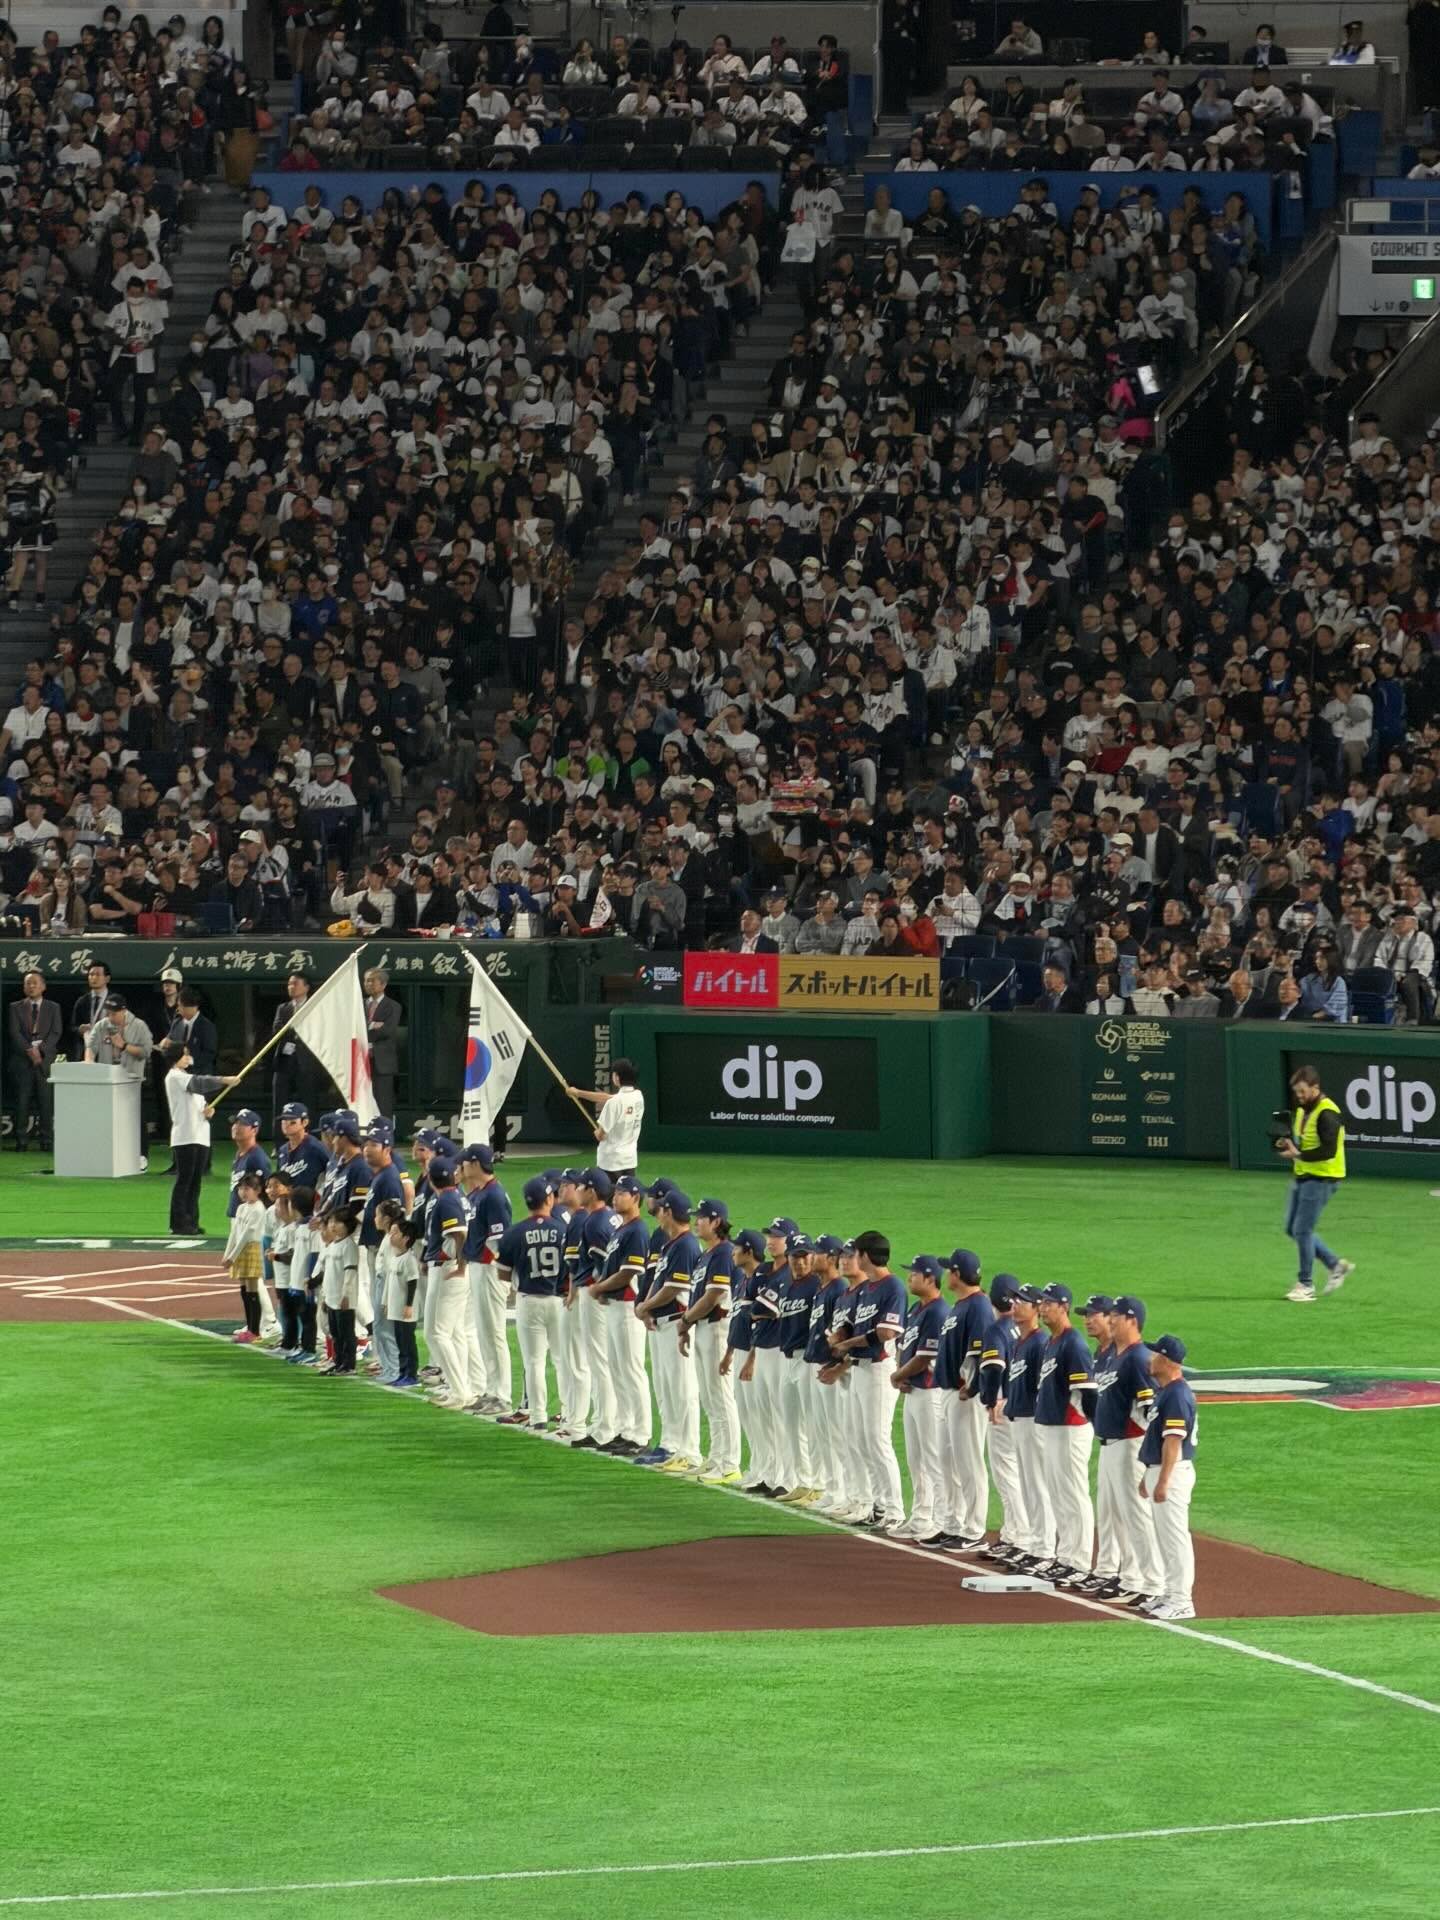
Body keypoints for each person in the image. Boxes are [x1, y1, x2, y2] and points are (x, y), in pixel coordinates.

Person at [826, 1229, 906, 1528]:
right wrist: (840, 1335)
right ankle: (878, 1504)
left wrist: (846, 1343)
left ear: (866, 1256)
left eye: (856, 1253)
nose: (852, 1258)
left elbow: (886, 1332)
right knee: (861, 1440)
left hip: (879, 1370)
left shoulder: (892, 1286)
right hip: (860, 1369)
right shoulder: (865, 1290)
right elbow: (851, 1324)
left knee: (877, 1440)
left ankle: (894, 1510)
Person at [1090, 1294, 1165, 1607]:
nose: (1110, 1320)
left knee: (1135, 1515)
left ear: (1132, 1321)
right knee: (1117, 1515)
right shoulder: (1115, 1356)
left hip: (1129, 1444)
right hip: (1110, 1444)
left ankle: (1154, 1582)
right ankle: (1130, 1577)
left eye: (1116, 1316)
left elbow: (1150, 1411)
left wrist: (1146, 1455)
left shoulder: (1138, 1359)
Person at [1033, 1281, 1096, 1586]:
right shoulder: (1052, 1341)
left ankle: (1079, 1561)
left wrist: (1086, 1422)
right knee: (1058, 1493)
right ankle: (1066, 1555)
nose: (1043, 1308)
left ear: (1064, 1307)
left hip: (1071, 1428)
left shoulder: (1073, 1344)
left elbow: (1086, 1393)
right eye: (1042, 1302)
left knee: (1073, 1493)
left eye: (1049, 1303)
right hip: (1053, 1427)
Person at [635, 1185, 701, 1471]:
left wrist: (645, 1306)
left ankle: (689, 1451)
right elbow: (658, 1281)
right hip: (662, 1322)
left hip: (677, 1321)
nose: (657, 1213)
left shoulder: (685, 1245)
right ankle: (670, 1444)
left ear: (669, 1212)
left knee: (682, 1388)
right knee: (666, 1386)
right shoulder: (670, 1244)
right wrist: (646, 1307)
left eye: (661, 1209)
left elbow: (674, 1287)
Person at [1277, 1064, 1355, 1303]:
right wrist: (1289, 1145)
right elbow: (1304, 1142)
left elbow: (1329, 1151)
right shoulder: (1303, 1110)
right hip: (1303, 1175)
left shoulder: (1328, 1114)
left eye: (1303, 1091)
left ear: (1315, 1087)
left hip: (1322, 1178)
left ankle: (1306, 1284)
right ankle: (1335, 1265)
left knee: (1302, 1230)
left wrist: (1298, 1154)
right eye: (1296, 1092)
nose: (1299, 1096)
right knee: (1292, 1228)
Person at [933, 1249, 994, 1549]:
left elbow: (982, 1353)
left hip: (964, 1396)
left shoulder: (978, 1306)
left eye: (949, 1270)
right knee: (948, 1462)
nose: (946, 1274)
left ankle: (974, 1530)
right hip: (948, 1393)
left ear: (957, 1274)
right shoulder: (961, 1305)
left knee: (969, 1463)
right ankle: (953, 1523)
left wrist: (972, 1387)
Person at [496, 1176, 568, 1428]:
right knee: (562, 1360)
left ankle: (537, 1416)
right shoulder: (563, 1230)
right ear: (549, 1199)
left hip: (528, 1300)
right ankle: (568, 1413)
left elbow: (502, 1273)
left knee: (534, 1362)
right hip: (558, 1301)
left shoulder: (514, 1232)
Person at [1138, 1334, 1199, 1619]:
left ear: (1165, 1360)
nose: (1150, 1359)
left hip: (1172, 1474)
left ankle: (1182, 1600)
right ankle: (1169, 1593)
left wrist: (1162, 1480)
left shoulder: (1176, 1394)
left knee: (1175, 1539)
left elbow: (1173, 1441)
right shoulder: (1166, 1392)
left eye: (1155, 1355)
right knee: (1164, 1537)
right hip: (1161, 1470)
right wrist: (1148, 1476)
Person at [589, 1172, 651, 1453]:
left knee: (631, 1369)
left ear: (636, 1197)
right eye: (615, 1193)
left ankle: (641, 1434)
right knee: (617, 1369)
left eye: (622, 1193)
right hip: (614, 1305)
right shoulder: (620, 1229)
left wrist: (600, 1287)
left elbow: (629, 1272)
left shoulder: (637, 1230)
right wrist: (604, 1289)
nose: (615, 1197)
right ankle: (625, 1429)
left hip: (628, 1307)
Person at [891, 1255, 948, 1542]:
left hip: (929, 1392)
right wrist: (901, 1374)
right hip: (913, 1391)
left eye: (914, 1274)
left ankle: (940, 1520)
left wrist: (898, 1375)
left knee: (933, 1458)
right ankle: (921, 1516)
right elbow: (906, 1347)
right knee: (916, 1459)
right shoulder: (917, 1309)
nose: (909, 1278)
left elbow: (926, 1356)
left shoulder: (938, 1312)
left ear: (929, 1279)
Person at [976, 1276, 1028, 1563]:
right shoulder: (1023, 1328)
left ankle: (1018, 1536)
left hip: (1002, 1408)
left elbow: (994, 1368)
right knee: (1018, 1473)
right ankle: (1015, 1532)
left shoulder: (996, 1329)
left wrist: (990, 1399)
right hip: (1022, 1408)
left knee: (1006, 1474)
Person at [460, 1143, 514, 1415]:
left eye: (465, 1162)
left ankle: (501, 1395)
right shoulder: (479, 1193)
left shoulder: (493, 1195)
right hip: (478, 1267)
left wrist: (497, 1270)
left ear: (475, 1164)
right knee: (484, 1332)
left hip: (490, 1269)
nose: (461, 1167)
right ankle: (491, 1390)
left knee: (494, 1333)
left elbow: (499, 1239)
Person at [163, 1047, 240, 1234]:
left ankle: (192, 1221)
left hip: (200, 1135)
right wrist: (224, 1080)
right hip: (185, 1136)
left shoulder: (185, 1077)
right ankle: (178, 1223)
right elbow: (199, 1083)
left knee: (195, 1182)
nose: (188, 1057)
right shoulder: (175, 1077)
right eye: (184, 1054)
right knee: (185, 1180)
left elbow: (199, 1103)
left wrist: (208, 1111)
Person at [421, 1159, 473, 1408]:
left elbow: (459, 1234)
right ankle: (459, 1388)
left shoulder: (447, 1200)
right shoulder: (456, 1196)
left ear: (430, 1178)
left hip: (448, 1267)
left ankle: (460, 1391)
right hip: (448, 1266)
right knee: (453, 1333)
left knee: (438, 1333)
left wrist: (461, 1266)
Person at [359, 1121, 408, 1384]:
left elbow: (396, 1218)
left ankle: (394, 1367)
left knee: (385, 1315)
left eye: (373, 1145)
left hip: (385, 1251)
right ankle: (387, 1364)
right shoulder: (379, 1175)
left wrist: (388, 1249)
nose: (367, 1149)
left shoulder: (389, 1178)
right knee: (380, 1316)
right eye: (366, 1144)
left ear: (387, 1149)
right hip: (378, 1249)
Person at [84, 994, 154, 1166]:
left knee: (135, 1120)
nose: (110, 1017)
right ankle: (106, 1155)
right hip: (107, 1081)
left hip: (131, 1080)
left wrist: (124, 1045)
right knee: (105, 1119)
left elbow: (146, 1052)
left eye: (114, 1013)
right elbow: (90, 1047)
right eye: (108, 1013)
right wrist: (89, 1064)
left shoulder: (139, 1025)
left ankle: (141, 1157)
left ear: (123, 1011)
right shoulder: (102, 1025)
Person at [8, 969, 61, 1152]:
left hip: (44, 1062)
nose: (31, 986)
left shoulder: (53, 1007)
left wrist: (41, 1050)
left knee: (46, 1102)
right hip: (22, 1061)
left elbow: (56, 1032)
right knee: (21, 1102)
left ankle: (46, 1140)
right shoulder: (15, 1007)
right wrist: (30, 1050)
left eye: (34, 983)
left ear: (43, 986)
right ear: (24, 987)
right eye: (28, 983)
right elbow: (14, 1032)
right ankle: (21, 1140)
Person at [566, 1058, 645, 1176]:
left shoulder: (613, 1103)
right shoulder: (638, 1096)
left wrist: (597, 1132)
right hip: (630, 1160)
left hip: (611, 1162)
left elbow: (601, 1135)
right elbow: (608, 1097)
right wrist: (578, 1093)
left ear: (617, 1077)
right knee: (627, 1188)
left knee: (609, 1189)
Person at [377, 1205, 423, 1390]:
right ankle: (402, 1373)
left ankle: (411, 1374)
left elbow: (412, 1282)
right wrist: (385, 1302)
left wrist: (409, 1305)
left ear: (406, 1238)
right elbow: (389, 1283)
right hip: (395, 1308)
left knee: (407, 1342)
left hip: (405, 1310)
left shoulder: (409, 1259)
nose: (391, 1235)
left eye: (395, 1233)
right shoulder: (395, 1258)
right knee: (400, 1341)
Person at [317, 1205, 361, 1376]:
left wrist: (346, 1295)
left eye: (338, 1222)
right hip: (331, 1297)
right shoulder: (332, 1245)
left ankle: (349, 1365)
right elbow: (328, 1273)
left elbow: (350, 1272)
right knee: (335, 1332)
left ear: (348, 1225)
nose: (333, 1225)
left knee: (346, 1332)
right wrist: (325, 1295)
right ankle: (338, 1361)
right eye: (331, 1222)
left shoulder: (349, 1245)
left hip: (343, 1299)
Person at [223, 1172, 267, 1340]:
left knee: (252, 1289)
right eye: (240, 1188)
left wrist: (232, 1256)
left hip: (252, 1248)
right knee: (244, 1290)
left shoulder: (258, 1209)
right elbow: (235, 1232)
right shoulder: (241, 1208)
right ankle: (249, 1328)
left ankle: (255, 1331)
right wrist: (227, 1253)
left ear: (257, 1190)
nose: (243, 1192)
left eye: (247, 1189)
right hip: (240, 1249)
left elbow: (247, 1235)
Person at [362, 967, 402, 1120]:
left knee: (383, 1102)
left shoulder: (393, 1006)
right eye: (366, 981)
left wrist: (366, 1028)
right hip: (361, 1060)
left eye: (372, 981)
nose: (368, 984)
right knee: (362, 1101)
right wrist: (373, 1025)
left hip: (382, 1062)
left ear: (383, 984)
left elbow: (387, 1031)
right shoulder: (359, 1004)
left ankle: (384, 1133)